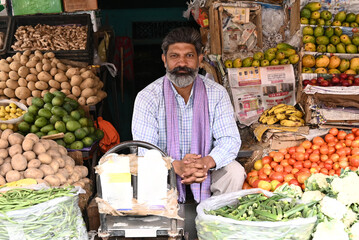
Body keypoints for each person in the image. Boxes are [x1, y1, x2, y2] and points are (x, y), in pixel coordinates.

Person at [132, 27, 246, 203]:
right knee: (147, 169)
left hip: (206, 171)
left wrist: (206, 162)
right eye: (174, 56)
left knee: (234, 172)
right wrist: (174, 165)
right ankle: (164, 223)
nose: (182, 63)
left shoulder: (217, 93)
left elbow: (229, 139)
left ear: (200, 60)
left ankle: (216, 221)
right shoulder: (148, 97)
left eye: (189, 56)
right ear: (164, 60)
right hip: (166, 170)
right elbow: (146, 149)